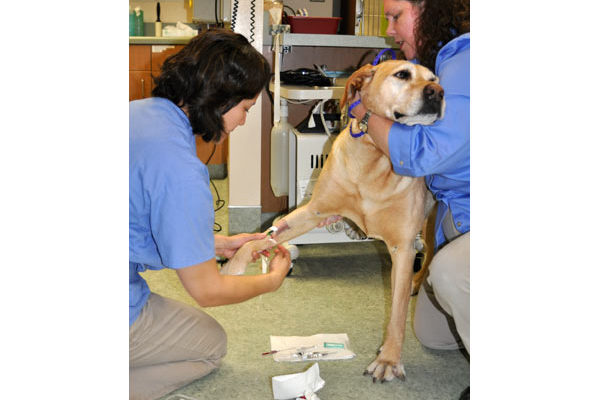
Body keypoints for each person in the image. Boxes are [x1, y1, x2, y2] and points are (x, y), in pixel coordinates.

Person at [129, 29, 291, 400]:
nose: (244, 121)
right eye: (246, 109)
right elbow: (207, 290)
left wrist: (218, 244)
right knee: (210, 345)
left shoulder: (140, 113)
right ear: (222, 99)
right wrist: (273, 282)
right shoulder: (183, 171)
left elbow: (138, 223)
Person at [350, 0, 470, 397]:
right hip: (460, 216)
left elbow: (424, 154)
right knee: (434, 335)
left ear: (432, 9)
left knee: (450, 273)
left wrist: (366, 116)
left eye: (396, 16)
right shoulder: (444, 61)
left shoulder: (468, 58)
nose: (390, 30)